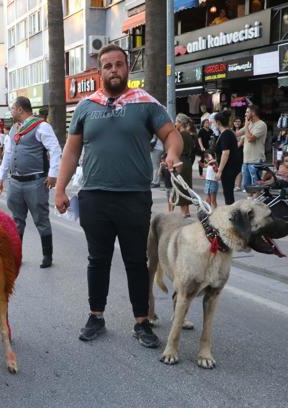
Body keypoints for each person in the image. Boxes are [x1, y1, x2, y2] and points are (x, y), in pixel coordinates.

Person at [55, 44, 183, 348]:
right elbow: (72, 150)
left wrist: (173, 153)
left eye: (119, 65)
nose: (114, 70)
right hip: (94, 197)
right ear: (100, 72)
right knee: (97, 259)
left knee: (136, 261)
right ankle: (95, 316)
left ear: (128, 69)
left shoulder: (145, 103)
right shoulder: (87, 106)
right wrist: (60, 188)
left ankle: (141, 322)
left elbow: (171, 135)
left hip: (134, 197)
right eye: (108, 66)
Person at [0, 96, 61, 269]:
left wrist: (53, 174)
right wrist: (1, 177)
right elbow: (8, 154)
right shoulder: (13, 130)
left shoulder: (41, 126)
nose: (11, 112)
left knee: (41, 220)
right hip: (16, 182)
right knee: (17, 221)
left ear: (19, 109)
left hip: (35, 182)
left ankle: (47, 255)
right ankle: (16, 256)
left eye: (12, 109)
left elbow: (55, 150)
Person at [236, 105, 267, 194]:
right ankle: (250, 204)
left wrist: (246, 125)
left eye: (247, 112)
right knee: (247, 187)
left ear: (253, 113)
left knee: (256, 187)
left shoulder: (261, 124)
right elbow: (237, 134)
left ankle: (256, 205)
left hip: (256, 160)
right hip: (246, 160)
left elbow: (250, 139)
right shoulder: (249, 124)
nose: (245, 114)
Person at [213, 111, 242, 204]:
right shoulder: (228, 133)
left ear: (218, 123)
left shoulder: (226, 134)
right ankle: (232, 214)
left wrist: (219, 171)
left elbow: (226, 153)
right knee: (228, 193)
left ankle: (232, 215)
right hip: (230, 167)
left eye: (214, 122)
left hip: (229, 168)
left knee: (228, 194)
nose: (213, 125)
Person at [175, 113, 195, 218]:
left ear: (181, 123)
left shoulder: (180, 135)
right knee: (187, 186)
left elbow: (176, 149)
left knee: (181, 186)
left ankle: (184, 212)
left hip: (180, 160)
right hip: (187, 161)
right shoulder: (188, 134)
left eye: (176, 122)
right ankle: (187, 211)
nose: (175, 124)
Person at [232, 117, 244, 191]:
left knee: (239, 169)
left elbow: (241, 143)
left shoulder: (243, 131)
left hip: (240, 151)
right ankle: (233, 184)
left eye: (239, 121)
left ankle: (238, 185)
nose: (237, 123)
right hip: (232, 152)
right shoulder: (231, 131)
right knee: (233, 168)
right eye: (235, 121)